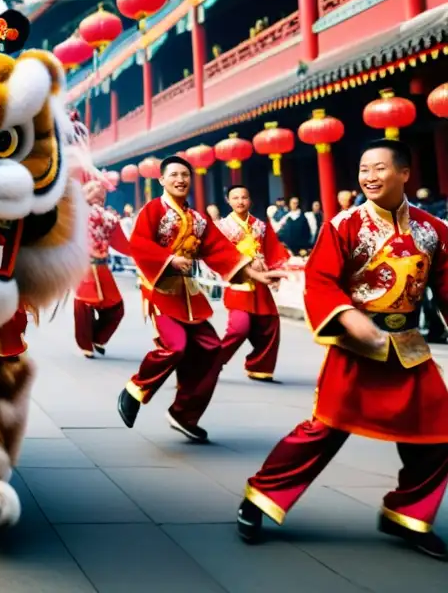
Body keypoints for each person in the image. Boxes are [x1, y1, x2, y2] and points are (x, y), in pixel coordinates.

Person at [237, 140, 448, 560]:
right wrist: (349, 318)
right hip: (357, 347)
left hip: (409, 348)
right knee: (323, 431)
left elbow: (444, 287)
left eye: (379, 168)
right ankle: (260, 496)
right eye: (363, 168)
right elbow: (320, 280)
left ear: (405, 173)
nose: (368, 176)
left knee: (439, 433)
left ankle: (407, 513)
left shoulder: (434, 230)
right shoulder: (344, 225)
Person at [116, 156, 284, 442]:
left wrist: (257, 276)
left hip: (188, 295)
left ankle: (184, 413)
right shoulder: (153, 210)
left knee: (211, 351)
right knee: (176, 346)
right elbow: (139, 244)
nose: (180, 180)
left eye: (185, 175)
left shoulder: (197, 219)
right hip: (160, 291)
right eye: (174, 175)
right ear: (162, 180)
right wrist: (169, 259)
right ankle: (135, 389)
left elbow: (219, 250)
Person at [217, 185, 290, 381]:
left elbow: (273, 249)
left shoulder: (260, 225)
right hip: (238, 283)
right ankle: (210, 363)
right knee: (239, 329)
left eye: (244, 197)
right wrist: (248, 263)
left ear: (250, 200)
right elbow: (221, 255)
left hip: (260, 286)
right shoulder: (223, 228)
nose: (240, 201)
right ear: (228, 201)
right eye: (235, 198)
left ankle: (259, 366)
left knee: (270, 325)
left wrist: (275, 270)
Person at [73, 163, 131, 359]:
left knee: (117, 308)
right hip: (82, 267)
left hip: (103, 268)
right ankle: (85, 343)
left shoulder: (110, 219)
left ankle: (98, 337)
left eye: (101, 192)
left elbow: (123, 245)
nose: (98, 195)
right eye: (93, 191)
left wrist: (145, 251)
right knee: (83, 306)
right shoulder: (74, 216)